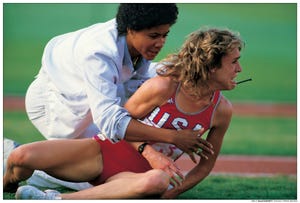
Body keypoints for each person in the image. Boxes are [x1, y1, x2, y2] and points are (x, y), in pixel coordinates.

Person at [4, 27, 244, 199]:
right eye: (234, 62)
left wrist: (172, 193)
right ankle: (6, 188)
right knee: (20, 157)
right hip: (101, 152)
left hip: (140, 176)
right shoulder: (164, 86)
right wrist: (156, 147)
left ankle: (53, 200)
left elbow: (204, 165)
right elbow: (120, 124)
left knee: (158, 180)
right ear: (211, 65)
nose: (239, 69)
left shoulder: (222, 111)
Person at [20, 3, 213, 190]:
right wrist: (171, 138)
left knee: (121, 163)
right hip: (54, 106)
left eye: (165, 35)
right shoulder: (99, 53)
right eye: (154, 36)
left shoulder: (137, 41)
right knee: (105, 167)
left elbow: (148, 76)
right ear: (130, 29)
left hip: (85, 101)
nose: (160, 43)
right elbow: (108, 119)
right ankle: (23, 162)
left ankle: (43, 170)